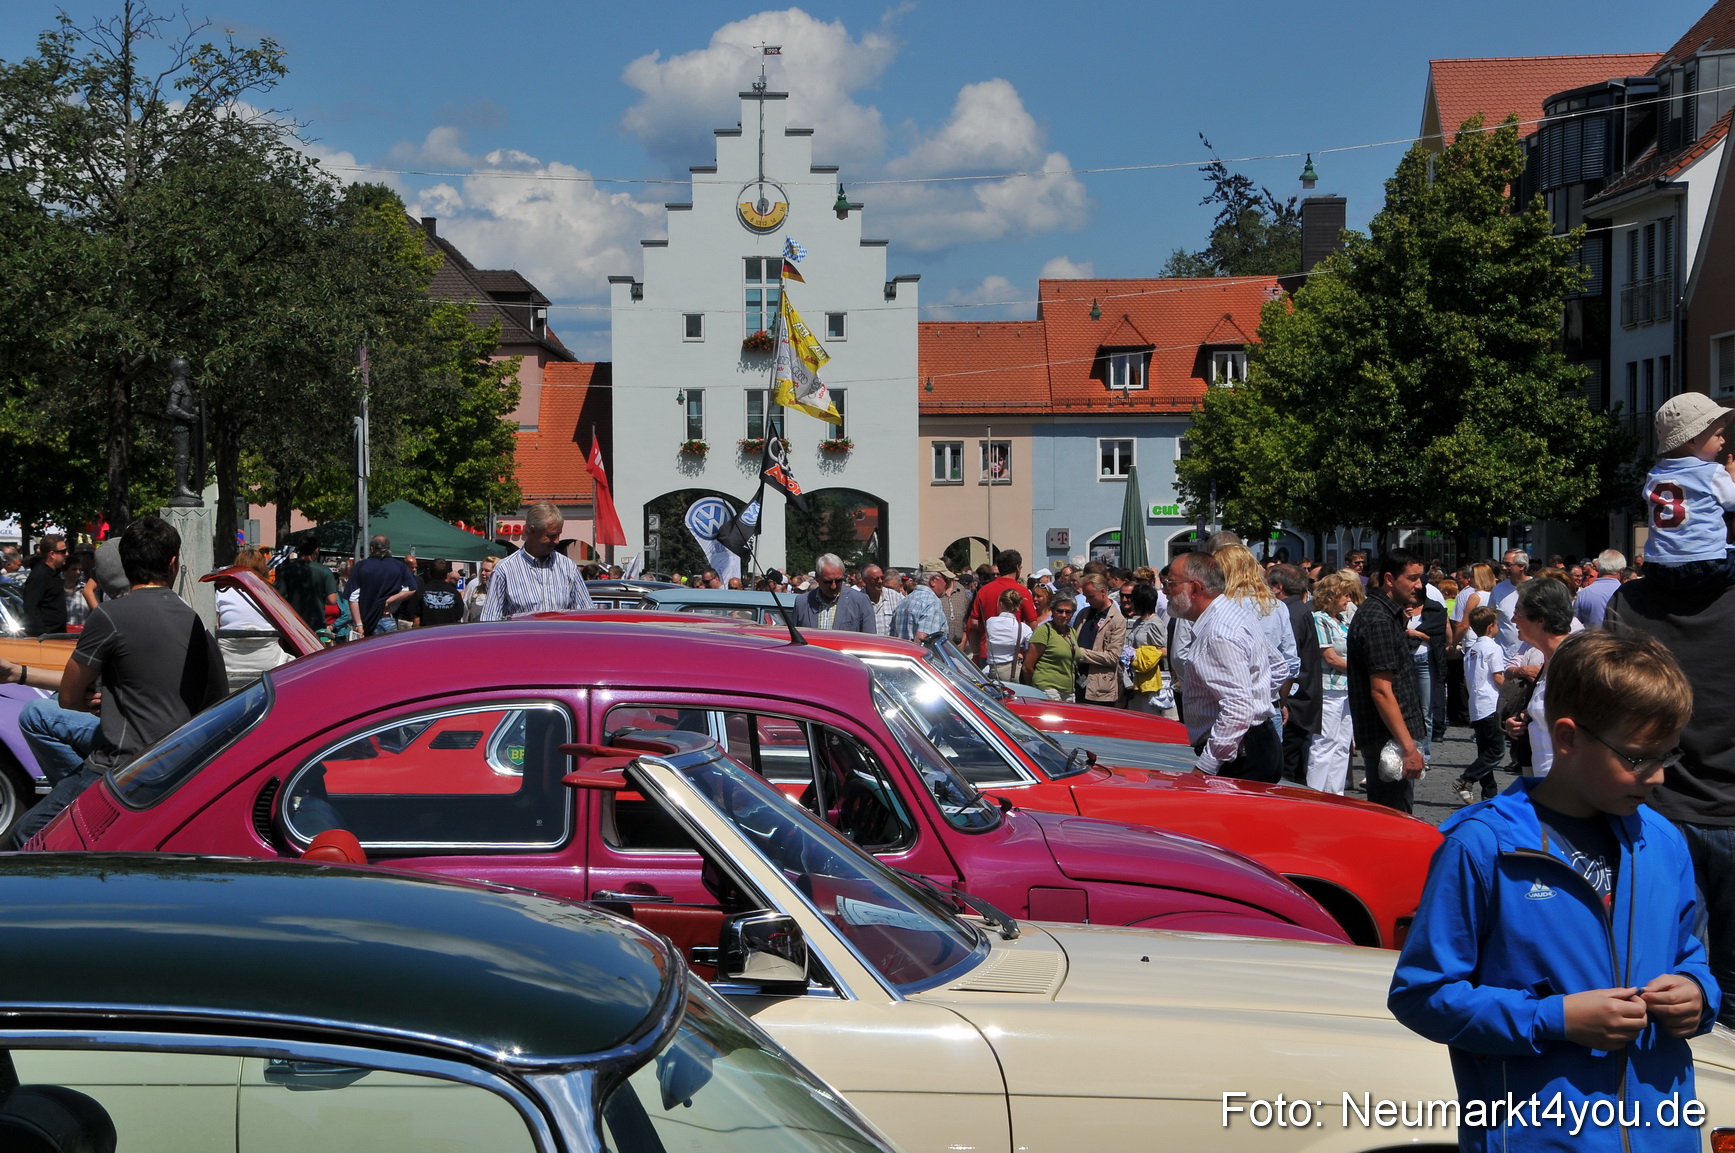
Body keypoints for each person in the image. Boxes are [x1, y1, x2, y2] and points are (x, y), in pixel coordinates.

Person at [1388, 629, 1715, 1152]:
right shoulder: (1483, 847)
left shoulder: (1662, 841)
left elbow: (1691, 955)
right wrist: (1553, 1019)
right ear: (1567, 737)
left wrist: (1699, 995)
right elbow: (1422, 995)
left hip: (1664, 1132)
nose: (1657, 777)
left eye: (1666, 756)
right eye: (1636, 758)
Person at [12, 515, 226, 846]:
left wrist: (99, 700)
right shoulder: (196, 623)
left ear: (126, 565)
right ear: (173, 563)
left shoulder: (109, 617)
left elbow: (68, 698)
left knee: (26, 834)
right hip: (177, 764)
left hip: (121, 766)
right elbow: (217, 707)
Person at [1163, 552, 1282, 781]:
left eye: (1171, 584)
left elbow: (1237, 708)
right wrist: (1257, 700)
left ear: (1195, 588)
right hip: (1254, 743)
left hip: (1240, 756)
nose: (1165, 591)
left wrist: (1205, 769)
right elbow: (1278, 667)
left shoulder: (1218, 633)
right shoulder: (1233, 614)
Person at [1346, 549, 1428, 813]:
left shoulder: (1385, 614)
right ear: (1390, 579)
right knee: (1394, 820)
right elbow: (1381, 690)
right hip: (1387, 740)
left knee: (1395, 816)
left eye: (1421, 578)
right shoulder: (1378, 619)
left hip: (1391, 736)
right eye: (1413, 578)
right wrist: (1407, 747)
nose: (1419, 585)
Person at [1642, 392, 1735, 598]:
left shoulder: (1654, 475)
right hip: (1705, 564)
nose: (1723, 440)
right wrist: (1732, 478)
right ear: (1692, 440)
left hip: (1658, 566)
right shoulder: (1712, 471)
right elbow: (1732, 502)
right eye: (1718, 434)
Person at [1505, 578, 1575, 779]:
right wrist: (1527, 720)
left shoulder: (1574, 660)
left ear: (1540, 619)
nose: (1513, 620)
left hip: (1568, 783)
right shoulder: (1549, 657)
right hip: (1544, 779)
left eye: (1518, 613)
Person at [481, 502, 595, 620]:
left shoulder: (568, 567)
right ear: (533, 531)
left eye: (559, 535)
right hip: (522, 637)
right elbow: (490, 620)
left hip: (560, 637)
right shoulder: (505, 569)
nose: (557, 541)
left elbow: (586, 615)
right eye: (551, 536)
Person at [1267, 564, 1320, 783]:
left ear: (1278, 587)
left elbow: (1289, 661)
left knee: (1287, 772)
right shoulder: (1300, 609)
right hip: (1302, 701)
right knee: (1295, 769)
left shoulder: (1289, 612)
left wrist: (1284, 699)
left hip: (1294, 704)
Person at [1306, 570, 1357, 794]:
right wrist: (1360, 669)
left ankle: (1335, 792)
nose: (1349, 599)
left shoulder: (1343, 619)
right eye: (1345, 595)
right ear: (1332, 596)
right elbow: (1329, 656)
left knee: (1343, 742)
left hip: (1347, 687)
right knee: (1324, 740)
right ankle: (1315, 792)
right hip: (1329, 687)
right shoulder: (1320, 619)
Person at [216, 546, 291, 693]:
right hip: (268, 662)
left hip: (229, 662)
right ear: (262, 567)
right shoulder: (271, 595)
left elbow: (216, 624)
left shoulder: (222, 593)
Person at [1454, 605, 1507, 804]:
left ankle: (1489, 793)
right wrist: (1511, 694)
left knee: (1484, 751)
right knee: (1496, 750)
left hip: (1476, 704)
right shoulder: (1493, 648)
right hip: (1491, 704)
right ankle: (1466, 779)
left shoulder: (1471, 649)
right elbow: (1498, 677)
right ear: (1491, 627)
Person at [963, 550, 1036, 659]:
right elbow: (1033, 625)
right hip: (1013, 654)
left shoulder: (984, 591)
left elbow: (973, 622)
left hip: (987, 651)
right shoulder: (1023, 591)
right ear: (1017, 568)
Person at [1072, 574, 1128, 707]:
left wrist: (1081, 653)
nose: (1087, 600)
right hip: (1078, 682)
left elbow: (1113, 657)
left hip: (1100, 689)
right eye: (1085, 596)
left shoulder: (1116, 620)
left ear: (1103, 592)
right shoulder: (1084, 614)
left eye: (1090, 596)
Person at [790, 553, 875, 632]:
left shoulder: (860, 601)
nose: (833, 586)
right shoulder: (802, 602)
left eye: (838, 581)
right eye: (828, 582)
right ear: (817, 578)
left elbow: (870, 641)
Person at [276, 535, 339, 639]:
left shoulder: (286, 570)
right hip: (316, 622)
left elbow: (278, 595)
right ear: (316, 550)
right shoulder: (324, 571)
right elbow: (332, 600)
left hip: (292, 621)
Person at [1123, 582, 1171, 717]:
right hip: (1136, 679)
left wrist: (1141, 654)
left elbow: (1163, 650)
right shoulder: (1138, 621)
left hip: (1151, 681)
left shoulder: (1155, 623)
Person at [1023, 595, 1080, 701]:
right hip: (1048, 688)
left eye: (1068, 612)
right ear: (1052, 611)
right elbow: (1027, 666)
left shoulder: (1072, 631)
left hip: (1069, 690)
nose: (1064, 615)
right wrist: (1035, 687)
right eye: (1060, 611)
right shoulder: (1044, 631)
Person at [21, 534, 69, 636]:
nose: (67, 554)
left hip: (58, 634)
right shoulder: (39, 575)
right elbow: (31, 608)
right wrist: (42, 634)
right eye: (63, 551)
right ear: (52, 554)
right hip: (47, 637)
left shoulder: (55, 573)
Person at [982, 588, 1031, 682]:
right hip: (1013, 672)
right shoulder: (1023, 628)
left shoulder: (990, 622)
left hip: (993, 670)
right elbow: (1031, 648)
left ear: (1000, 604)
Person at [1491, 549, 1531, 662]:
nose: (1504, 568)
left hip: (1529, 656)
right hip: (1504, 658)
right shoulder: (1498, 589)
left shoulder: (1536, 587)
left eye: (1508, 564)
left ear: (1522, 566)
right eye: (1503, 564)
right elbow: (1491, 617)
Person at [890, 568, 948, 642]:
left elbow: (892, 637)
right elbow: (924, 640)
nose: (946, 584)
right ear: (933, 580)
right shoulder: (932, 602)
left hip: (901, 652)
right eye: (945, 579)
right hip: (918, 653)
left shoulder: (903, 601)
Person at [1575, 548, 1627, 628]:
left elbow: (1575, 626)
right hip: (1619, 639)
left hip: (1592, 639)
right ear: (1621, 571)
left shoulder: (1583, 594)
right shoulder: (1626, 594)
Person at [413, 559, 465, 627]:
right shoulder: (455, 593)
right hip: (448, 634)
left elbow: (416, 620)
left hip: (426, 634)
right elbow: (459, 616)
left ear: (430, 572)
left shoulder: (420, 592)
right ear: (447, 574)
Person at [860, 564, 903, 636]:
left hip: (889, 645)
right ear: (865, 581)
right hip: (868, 645)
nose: (880, 581)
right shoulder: (858, 600)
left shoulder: (896, 597)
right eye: (876, 579)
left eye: (882, 578)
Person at [464, 556, 496, 622]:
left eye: (487, 571)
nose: (483, 573)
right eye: (482, 570)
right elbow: (465, 611)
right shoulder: (474, 588)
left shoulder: (504, 592)